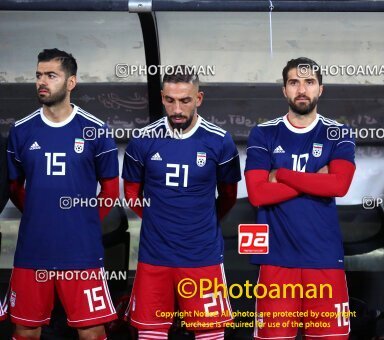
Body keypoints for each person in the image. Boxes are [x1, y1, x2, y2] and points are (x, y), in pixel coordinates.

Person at [4, 49, 119, 339]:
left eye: (51, 75)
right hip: (33, 250)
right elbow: (15, 187)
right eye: (39, 75)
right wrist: (40, 215)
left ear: (71, 82)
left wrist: (86, 221)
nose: (42, 82)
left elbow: (110, 189)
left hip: (81, 252)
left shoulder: (96, 130)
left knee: (92, 331)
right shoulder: (21, 130)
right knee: (25, 329)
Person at [122, 68, 241, 340]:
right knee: (151, 332)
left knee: (209, 331)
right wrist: (157, 218)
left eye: (185, 100)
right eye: (170, 100)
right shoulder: (142, 140)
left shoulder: (219, 141)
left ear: (198, 98)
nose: (177, 108)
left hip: (203, 256)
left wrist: (201, 221)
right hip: (155, 255)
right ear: (162, 98)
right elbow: (131, 194)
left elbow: (229, 196)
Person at [245, 57, 356, 339]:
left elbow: (339, 185)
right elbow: (258, 194)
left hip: (324, 258)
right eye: (294, 82)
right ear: (284, 90)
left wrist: (280, 174)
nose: (302, 89)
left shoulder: (338, 132)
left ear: (321, 89)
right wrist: (317, 179)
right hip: (276, 260)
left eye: (309, 82)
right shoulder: (264, 132)